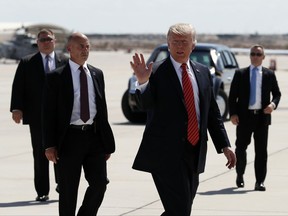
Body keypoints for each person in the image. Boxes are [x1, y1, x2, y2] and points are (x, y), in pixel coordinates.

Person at [130, 23, 236, 216]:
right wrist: (143, 82)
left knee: (180, 209)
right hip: (165, 154)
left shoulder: (203, 72)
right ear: (168, 44)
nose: (179, 46)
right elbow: (145, 106)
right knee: (180, 209)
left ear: (193, 45)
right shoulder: (156, 72)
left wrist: (224, 145)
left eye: (184, 42)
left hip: (194, 152)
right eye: (175, 42)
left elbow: (212, 113)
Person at [43, 32, 115, 216]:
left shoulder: (97, 74)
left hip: (94, 137)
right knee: (68, 191)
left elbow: (102, 109)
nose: (85, 50)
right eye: (80, 46)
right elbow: (49, 113)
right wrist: (49, 144)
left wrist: (106, 142)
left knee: (100, 184)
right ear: (69, 49)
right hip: (69, 139)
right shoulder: (56, 76)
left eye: (87, 46)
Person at [10, 29, 68, 202]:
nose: (45, 42)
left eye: (48, 39)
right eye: (42, 40)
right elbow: (18, 87)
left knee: (62, 152)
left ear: (54, 41)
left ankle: (62, 184)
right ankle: (42, 190)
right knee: (40, 153)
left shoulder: (64, 61)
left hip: (61, 117)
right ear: (37, 42)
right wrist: (17, 109)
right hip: (37, 117)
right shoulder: (27, 62)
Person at [229, 44, 281, 191]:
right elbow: (233, 96)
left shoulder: (269, 74)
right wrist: (233, 114)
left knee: (261, 151)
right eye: (253, 54)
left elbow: (277, 94)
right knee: (240, 148)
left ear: (263, 57)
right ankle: (240, 174)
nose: (255, 56)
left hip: (262, 118)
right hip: (244, 118)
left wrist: (273, 105)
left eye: (258, 54)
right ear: (250, 56)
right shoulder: (240, 74)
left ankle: (260, 181)